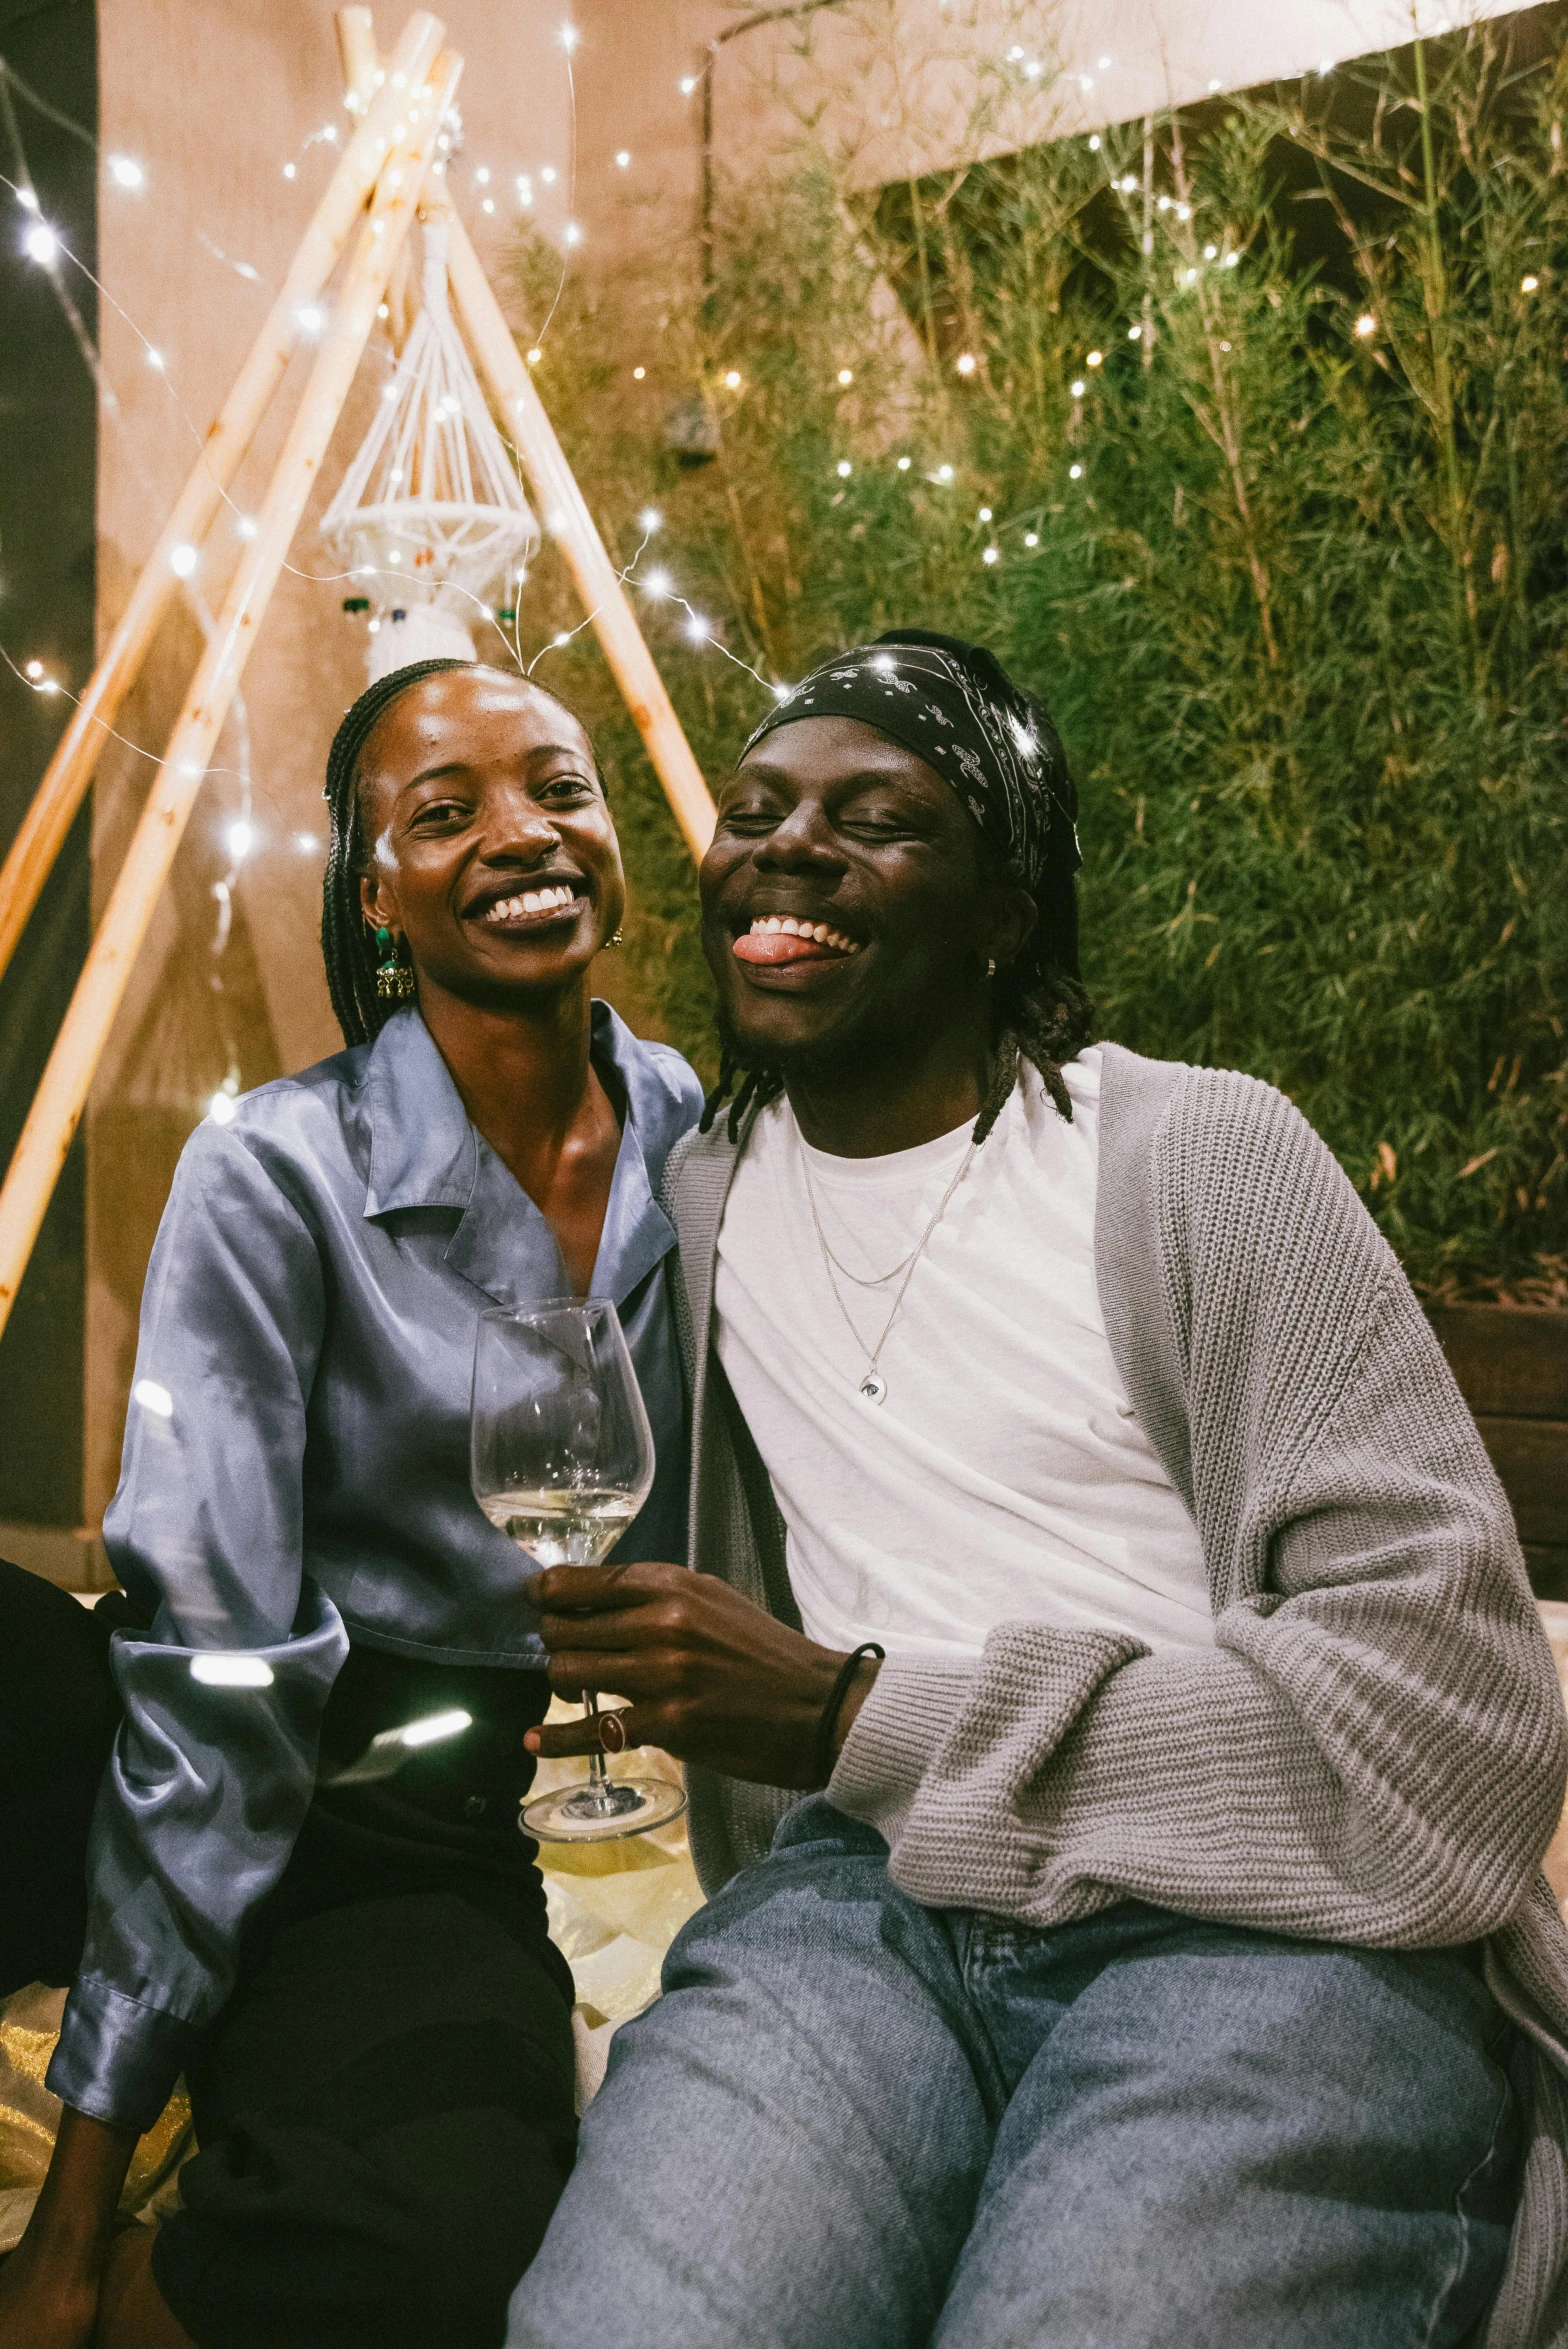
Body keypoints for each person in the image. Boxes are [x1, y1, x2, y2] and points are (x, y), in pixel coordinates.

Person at [508, 630, 1568, 2349]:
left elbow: (1454, 1722)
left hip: (1259, 1938)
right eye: (759, 806)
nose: (787, 844)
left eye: (878, 819)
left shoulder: (1194, 1162)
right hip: (861, 1915)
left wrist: (858, 1709)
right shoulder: (701, 1198)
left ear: (1005, 907)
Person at [0, 658, 702, 2349]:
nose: (521, 833)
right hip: (181, 1732)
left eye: (558, 786)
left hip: (414, 1839)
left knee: (431, 2262)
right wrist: (72, 2208)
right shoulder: (273, 1172)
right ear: (374, 888)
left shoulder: (701, 1129)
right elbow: (216, 1678)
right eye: (444, 813)